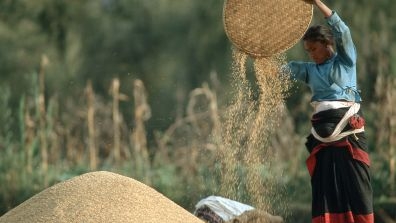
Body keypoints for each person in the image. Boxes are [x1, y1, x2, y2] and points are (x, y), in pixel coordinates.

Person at [285, 0, 374, 222]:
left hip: (348, 132)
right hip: (322, 139)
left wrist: (316, 2)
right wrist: (260, 56)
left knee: (357, 189)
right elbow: (284, 70)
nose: (312, 55)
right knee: (325, 191)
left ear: (327, 44)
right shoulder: (310, 70)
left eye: (314, 49)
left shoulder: (346, 61)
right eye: (308, 51)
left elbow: (342, 30)